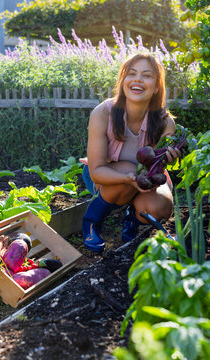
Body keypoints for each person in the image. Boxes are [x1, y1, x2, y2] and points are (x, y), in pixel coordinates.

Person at [81, 52, 180, 253]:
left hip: (144, 179)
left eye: (147, 75)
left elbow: (160, 169)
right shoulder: (103, 113)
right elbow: (96, 170)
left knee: (160, 206)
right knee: (129, 169)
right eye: (132, 73)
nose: (137, 79)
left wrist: (168, 158)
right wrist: (128, 177)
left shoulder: (165, 122)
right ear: (123, 80)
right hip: (104, 176)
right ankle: (91, 222)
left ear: (157, 86)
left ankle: (131, 220)